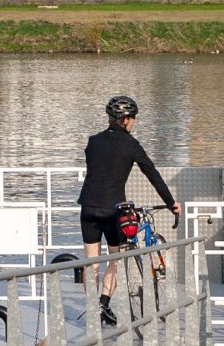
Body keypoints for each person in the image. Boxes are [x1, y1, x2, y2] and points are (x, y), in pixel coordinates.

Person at [77, 94, 179, 328]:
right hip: (113, 211)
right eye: (133, 118)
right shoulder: (132, 145)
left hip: (88, 208)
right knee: (115, 260)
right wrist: (171, 202)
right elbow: (152, 174)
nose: (133, 123)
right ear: (125, 120)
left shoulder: (93, 141)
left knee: (91, 262)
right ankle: (104, 303)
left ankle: (93, 309)